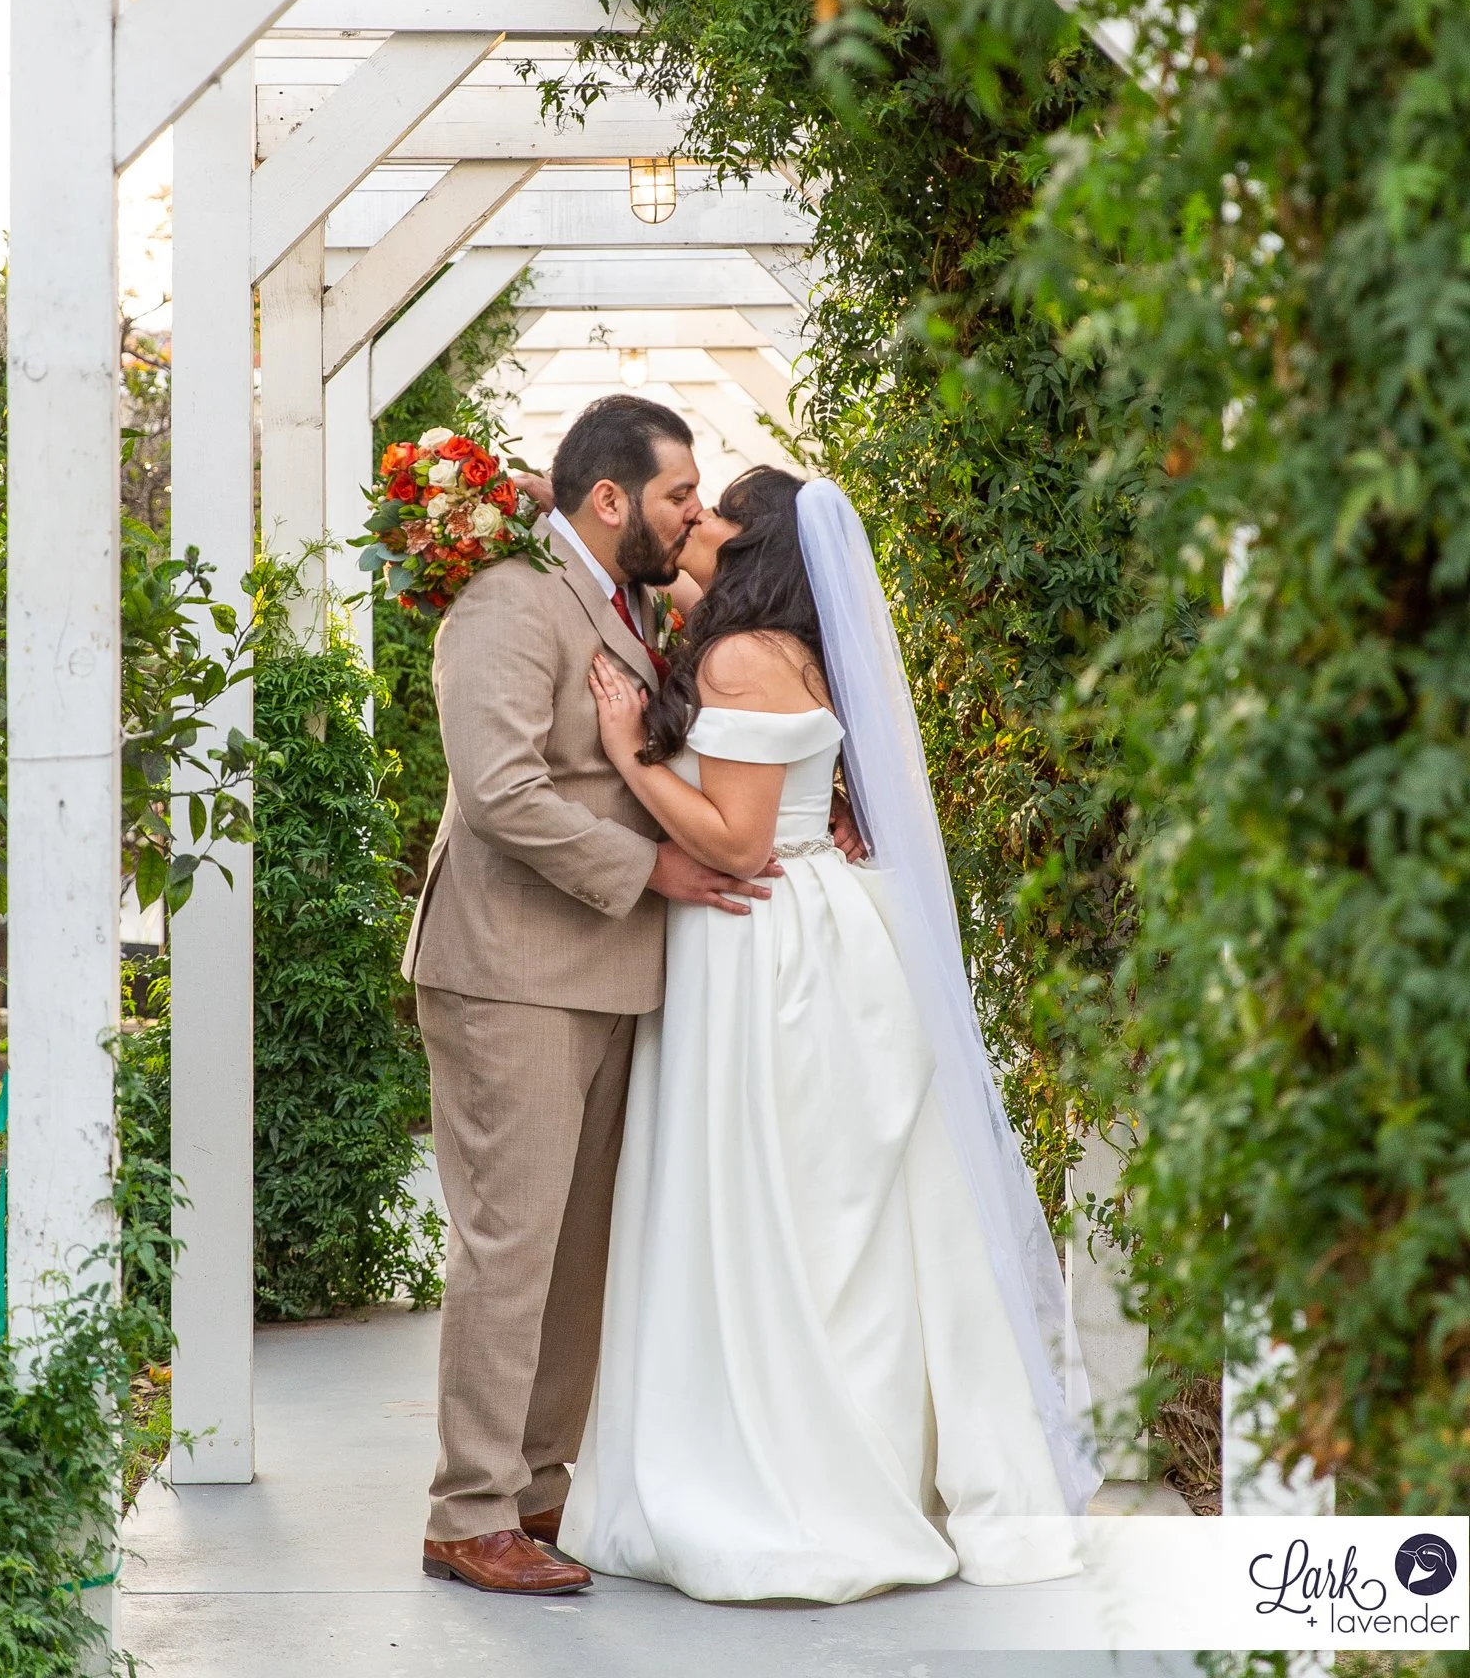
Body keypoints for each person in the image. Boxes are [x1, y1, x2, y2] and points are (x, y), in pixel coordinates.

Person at [560, 466, 1102, 1602]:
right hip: (821, 931)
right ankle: (868, 1454)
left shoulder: (736, 658)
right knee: (835, 1224)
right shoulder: (788, 649)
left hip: (764, 944)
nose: (693, 522)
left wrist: (624, 758)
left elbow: (739, 844)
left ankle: (790, 1476)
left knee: (764, 1212)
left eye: (713, 514)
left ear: (755, 548)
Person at [404, 396, 776, 1597]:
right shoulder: (511, 600)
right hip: (509, 972)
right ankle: (467, 1511)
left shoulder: (626, 603)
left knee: (576, 1255)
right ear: (607, 498)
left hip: (610, 971)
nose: (692, 515)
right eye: (678, 494)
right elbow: (503, 791)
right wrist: (657, 867)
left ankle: (536, 1491)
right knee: (510, 1245)